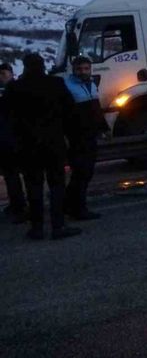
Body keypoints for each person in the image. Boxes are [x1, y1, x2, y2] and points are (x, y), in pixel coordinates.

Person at [4, 54, 80, 240]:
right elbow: (70, 113)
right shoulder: (55, 84)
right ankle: (58, 225)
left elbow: (7, 118)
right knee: (56, 185)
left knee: (33, 186)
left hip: (27, 146)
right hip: (53, 143)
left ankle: (37, 228)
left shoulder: (14, 88)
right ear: (42, 65)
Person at [63, 56, 109, 220]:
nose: (82, 72)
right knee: (81, 173)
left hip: (91, 136)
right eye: (79, 69)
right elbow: (65, 115)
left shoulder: (91, 85)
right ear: (73, 70)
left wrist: (103, 128)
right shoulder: (67, 87)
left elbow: (96, 109)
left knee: (86, 173)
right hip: (77, 137)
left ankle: (68, 205)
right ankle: (78, 209)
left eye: (85, 69)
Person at [0, 62, 26, 224]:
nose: (1, 77)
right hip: (6, 139)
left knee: (17, 175)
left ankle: (21, 207)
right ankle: (17, 204)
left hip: (17, 138)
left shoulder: (17, 90)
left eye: (4, 74)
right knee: (11, 176)